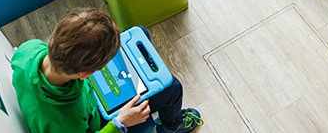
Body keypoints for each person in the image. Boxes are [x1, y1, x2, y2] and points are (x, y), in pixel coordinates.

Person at [11, 8, 204, 133]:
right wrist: (120, 123)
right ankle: (173, 126)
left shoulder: (29, 49)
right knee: (172, 88)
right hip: (104, 119)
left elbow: (17, 56)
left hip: (87, 93)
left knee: (139, 32)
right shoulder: (64, 122)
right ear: (86, 74)